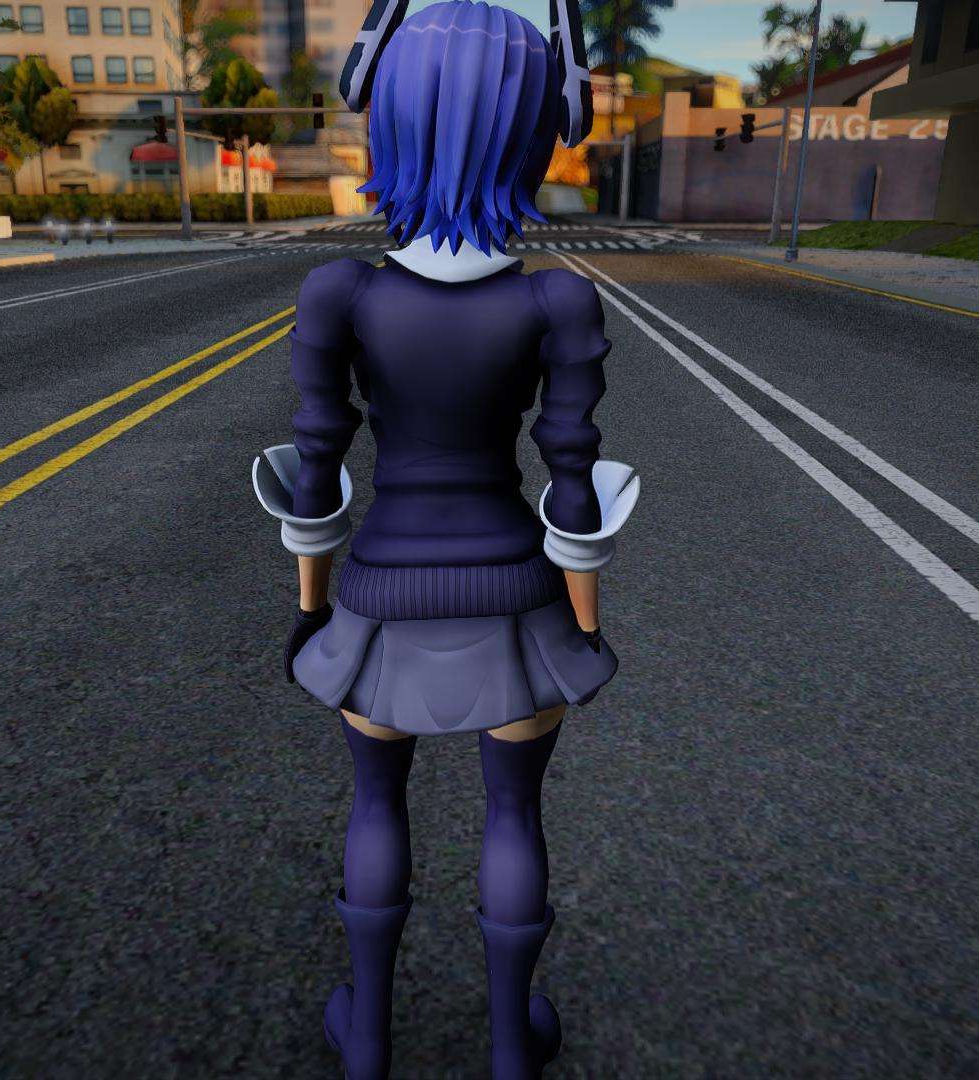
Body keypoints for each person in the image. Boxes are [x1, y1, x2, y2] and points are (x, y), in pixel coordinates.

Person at [249, 2, 633, 1076]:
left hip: (381, 594)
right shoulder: (557, 300)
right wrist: (585, 631)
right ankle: (512, 1051)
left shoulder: (341, 292)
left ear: (386, 116)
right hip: (517, 598)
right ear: (545, 126)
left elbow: (316, 472)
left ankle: (367, 1043)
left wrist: (310, 613)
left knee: (376, 804)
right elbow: (572, 485)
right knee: (515, 818)